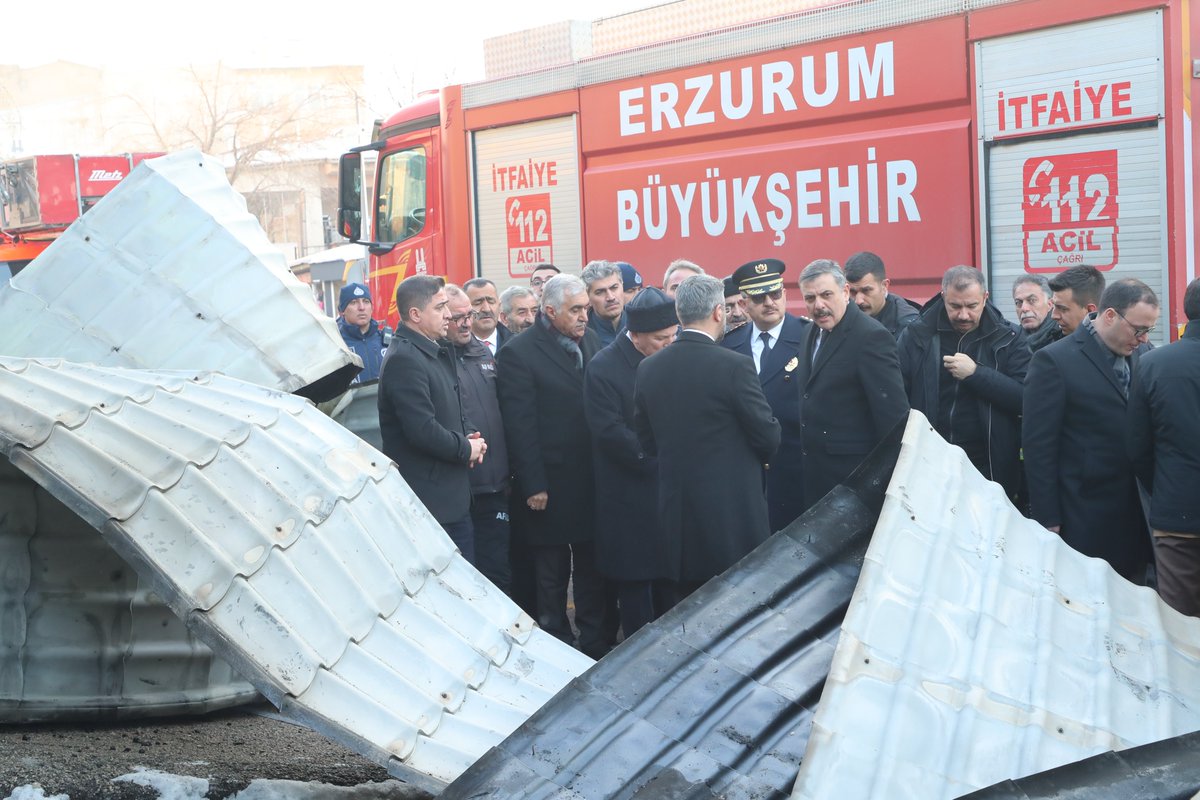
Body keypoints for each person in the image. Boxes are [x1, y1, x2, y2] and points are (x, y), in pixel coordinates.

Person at [634, 274, 780, 596]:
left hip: (679, 519)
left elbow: (646, 440)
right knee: (739, 610)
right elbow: (768, 436)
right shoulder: (735, 366)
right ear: (718, 312)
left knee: (688, 612)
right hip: (733, 519)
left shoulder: (648, 368)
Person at [496, 274, 607, 657]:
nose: (583, 318)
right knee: (552, 573)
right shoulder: (519, 353)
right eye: (575, 310)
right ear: (550, 311)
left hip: (591, 479)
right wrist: (534, 484)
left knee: (592, 570)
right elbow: (520, 425)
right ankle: (556, 643)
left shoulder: (590, 341)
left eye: (585, 310)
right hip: (551, 484)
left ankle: (595, 642)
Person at [1023, 278, 1159, 582]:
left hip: (1135, 516)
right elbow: (1038, 447)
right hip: (1083, 516)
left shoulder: (1142, 356)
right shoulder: (1054, 361)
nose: (1143, 338)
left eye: (1148, 330)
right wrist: (1048, 519)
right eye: (1138, 329)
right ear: (1109, 315)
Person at [584, 287, 679, 635]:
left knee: (673, 588)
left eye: (674, 336)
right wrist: (662, 458)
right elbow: (609, 431)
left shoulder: (672, 357)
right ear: (635, 335)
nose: (669, 345)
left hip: (669, 495)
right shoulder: (604, 367)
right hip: (630, 498)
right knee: (637, 593)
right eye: (660, 339)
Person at [897, 266, 1030, 501]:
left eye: (972, 306)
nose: (963, 315)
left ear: (985, 298)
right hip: (928, 461)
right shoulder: (917, 335)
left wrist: (976, 374)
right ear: (943, 297)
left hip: (987, 464)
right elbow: (898, 395)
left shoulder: (1009, 338)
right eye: (955, 306)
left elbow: (1024, 399)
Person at [378, 275, 486, 563]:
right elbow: (422, 430)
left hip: (451, 499)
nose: (449, 315)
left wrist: (471, 436)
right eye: (440, 308)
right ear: (415, 315)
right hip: (432, 506)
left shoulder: (432, 351)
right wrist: (465, 449)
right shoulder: (405, 359)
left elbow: (451, 408)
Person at [794, 259, 909, 512]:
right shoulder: (809, 333)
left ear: (845, 292)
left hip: (855, 485)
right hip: (817, 480)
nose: (819, 305)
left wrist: (879, 487)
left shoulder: (871, 337)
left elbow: (894, 422)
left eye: (826, 295)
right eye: (810, 298)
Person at [1127, 278, 1200, 614]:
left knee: (1180, 621)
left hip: (1176, 517)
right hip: (1176, 509)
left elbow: (1139, 446)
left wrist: (1165, 488)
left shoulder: (1155, 363)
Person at [722, 258, 812, 531]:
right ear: (746, 302)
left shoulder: (809, 337)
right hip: (746, 474)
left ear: (785, 295)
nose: (769, 303)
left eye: (775, 294)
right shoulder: (729, 345)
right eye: (760, 297)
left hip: (795, 470)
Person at [445, 285, 512, 593]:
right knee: (468, 578)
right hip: (460, 487)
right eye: (457, 317)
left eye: (467, 316)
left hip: (494, 483)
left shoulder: (481, 351)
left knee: (498, 572)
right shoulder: (434, 358)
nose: (466, 323)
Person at [843, 251, 919, 339]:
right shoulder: (838, 317)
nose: (858, 301)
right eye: (852, 292)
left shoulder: (908, 326)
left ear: (884, 286)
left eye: (866, 290)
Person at [337, 282, 387, 383]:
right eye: (353, 302)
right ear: (342, 311)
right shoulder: (336, 345)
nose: (361, 307)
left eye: (366, 301)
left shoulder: (387, 342)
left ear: (372, 308)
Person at [1048, 264, 1105, 338]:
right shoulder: (1049, 343)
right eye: (1054, 305)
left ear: (1090, 310)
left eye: (1063, 309)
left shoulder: (1117, 346)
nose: (1053, 316)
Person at [582, 260, 627, 347]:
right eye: (600, 292)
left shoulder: (641, 323)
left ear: (622, 286)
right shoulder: (581, 334)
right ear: (588, 298)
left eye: (614, 288)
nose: (610, 297)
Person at [1011, 274, 1058, 352]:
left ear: (1050, 304)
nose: (1024, 308)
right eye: (1018, 302)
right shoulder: (1011, 342)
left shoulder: (1063, 337)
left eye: (1032, 300)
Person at [463, 277, 512, 352]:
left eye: (491, 302)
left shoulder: (516, 345)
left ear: (499, 306)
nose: (486, 309)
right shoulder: (454, 349)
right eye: (478, 303)